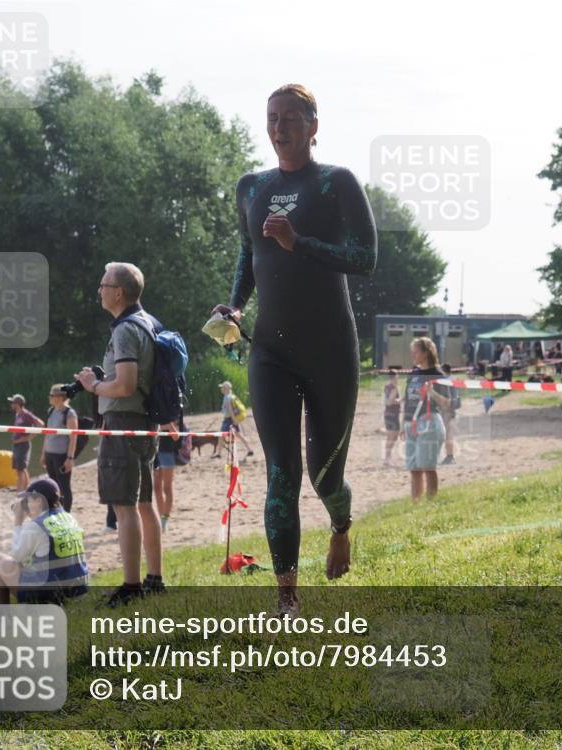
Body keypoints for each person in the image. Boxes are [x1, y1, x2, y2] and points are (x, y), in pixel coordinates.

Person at [210, 84, 377, 616]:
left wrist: (298, 242)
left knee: (325, 477)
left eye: (289, 118)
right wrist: (235, 306)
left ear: (313, 125)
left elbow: (366, 258)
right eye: (271, 118)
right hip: (271, 353)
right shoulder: (250, 187)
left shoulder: (336, 183)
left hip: (330, 352)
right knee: (281, 472)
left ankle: (341, 526)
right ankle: (287, 597)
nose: (278, 127)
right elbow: (247, 254)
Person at [75, 261, 164, 607]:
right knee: (144, 504)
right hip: (146, 423)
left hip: (124, 422)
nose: (99, 290)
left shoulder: (125, 329)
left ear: (119, 292)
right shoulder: (149, 323)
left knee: (124, 507)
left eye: (103, 284)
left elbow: (125, 385)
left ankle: (131, 587)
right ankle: (154, 578)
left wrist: (93, 385)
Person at [0, 479, 89, 605]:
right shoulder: (70, 518)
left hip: (52, 596)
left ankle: (2, 616)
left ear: (39, 501)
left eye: (28, 500)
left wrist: (18, 520)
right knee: (30, 562)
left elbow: (16, 556)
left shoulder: (36, 526)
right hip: (79, 591)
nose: (26, 505)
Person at [402, 338, 452, 501]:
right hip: (411, 423)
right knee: (414, 469)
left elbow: (447, 403)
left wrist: (432, 393)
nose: (413, 355)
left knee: (428, 467)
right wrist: (404, 424)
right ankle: (415, 504)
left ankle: (431, 504)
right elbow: (408, 400)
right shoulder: (413, 373)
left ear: (426, 353)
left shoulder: (438, 375)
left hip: (430, 423)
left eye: (415, 351)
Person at [41, 385, 79, 512]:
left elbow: (74, 437)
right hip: (50, 454)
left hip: (62, 455)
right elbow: (47, 434)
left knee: (64, 487)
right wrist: (43, 454)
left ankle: (66, 514)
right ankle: (57, 512)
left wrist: (70, 458)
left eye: (52, 395)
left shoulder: (69, 413)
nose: (49, 397)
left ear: (60, 397)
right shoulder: (51, 411)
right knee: (53, 486)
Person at [7, 394, 45, 492]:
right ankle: (28, 489)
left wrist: (28, 437)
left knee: (20, 470)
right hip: (17, 445)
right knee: (22, 469)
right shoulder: (18, 414)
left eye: (12, 403)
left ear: (18, 404)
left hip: (23, 445)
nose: (11, 404)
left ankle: (20, 492)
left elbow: (41, 424)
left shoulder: (26, 414)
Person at [218, 381, 255, 460]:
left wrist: (233, 419)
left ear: (226, 388)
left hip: (229, 419)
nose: (221, 389)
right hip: (232, 419)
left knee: (222, 435)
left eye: (222, 388)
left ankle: (218, 453)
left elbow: (230, 410)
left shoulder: (227, 397)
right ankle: (249, 449)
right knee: (238, 434)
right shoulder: (231, 396)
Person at [152, 428, 178, 533]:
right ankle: (161, 519)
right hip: (154, 451)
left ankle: (165, 519)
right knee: (156, 487)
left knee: (167, 488)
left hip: (168, 450)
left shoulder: (175, 412)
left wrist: (164, 425)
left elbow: (176, 434)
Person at [440, 363, 460, 464]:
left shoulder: (446, 381)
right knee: (448, 433)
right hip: (451, 409)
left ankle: (450, 456)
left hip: (448, 409)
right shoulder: (453, 379)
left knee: (448, 434)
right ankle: (449, 455)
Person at [382, 368, 401, 467]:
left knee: (393, 436)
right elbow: (389, 402)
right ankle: (387, 458)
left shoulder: (386, 386)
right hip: (392, 414)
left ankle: (387, 457)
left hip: (390, 414)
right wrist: (399, 401)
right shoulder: (394, 387)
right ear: (395, 377)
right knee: (391, 436)